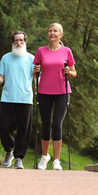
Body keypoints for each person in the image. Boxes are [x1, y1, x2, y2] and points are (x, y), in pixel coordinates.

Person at [33, 23, 77, 170]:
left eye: (55, 31)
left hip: (62, 92)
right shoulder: (41, 51)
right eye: (50, 30)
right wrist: (36, 70)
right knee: (46, 125)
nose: (52, 33)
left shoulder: (66, 51)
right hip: (44, 91)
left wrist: (68, 72)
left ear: (61, 35)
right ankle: (45, 156)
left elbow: (73, 72)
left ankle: (56, 160)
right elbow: (34, 72)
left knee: (57, 125)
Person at [0, 31, 34, 169]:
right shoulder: (6, 58)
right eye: (16, 40)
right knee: (5, 127)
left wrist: (38, 72)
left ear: (25, 42)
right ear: (12, 42)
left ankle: (19, 158)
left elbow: (36, 77)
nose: (19, 42)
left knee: (24, 129)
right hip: (8, 97)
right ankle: (9, 150)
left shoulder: (31, 59)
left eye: (21, 40)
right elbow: (1, 76)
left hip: (25, 98)